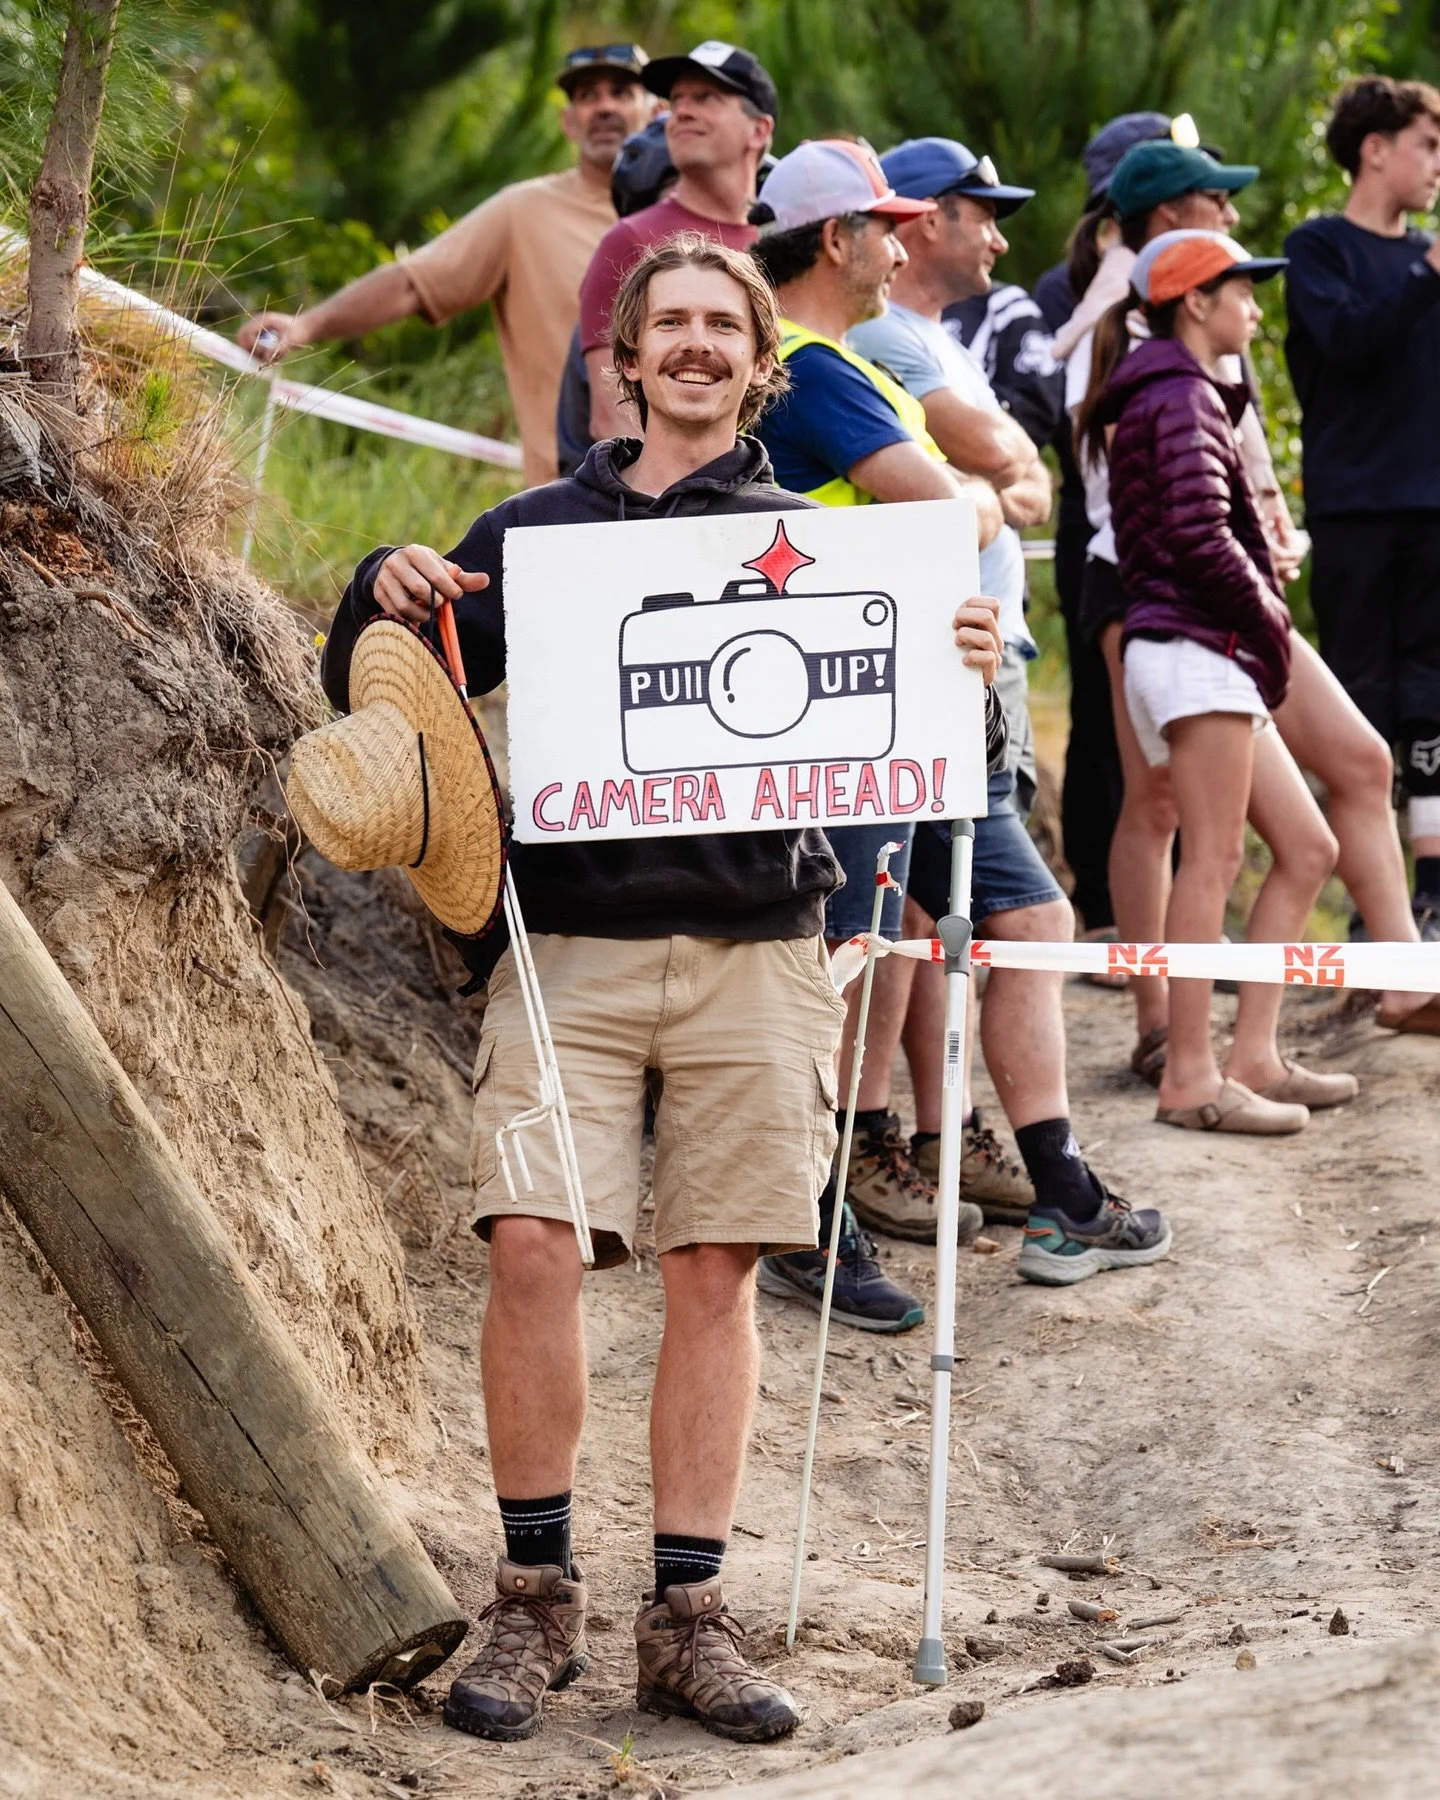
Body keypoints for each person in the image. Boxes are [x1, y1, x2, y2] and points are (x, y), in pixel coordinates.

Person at [319, 233, 1007, 1742]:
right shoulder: (536, 533)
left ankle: (687, 1619)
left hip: (765, 944)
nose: (693, 345)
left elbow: (950, 734)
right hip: (566, 951)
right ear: (623, 358)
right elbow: (387, 686)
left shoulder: (833, 544)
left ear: (760, 359)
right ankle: (535, 1598)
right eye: (666, 324)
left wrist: (969, 656)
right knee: (532, 1252)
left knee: (719, 1269)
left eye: (721, 325)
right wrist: (378, 589)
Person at [749, 138, 1168, 1296]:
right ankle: (809, 1210)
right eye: (885, 224)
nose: (901, 242)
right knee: (849, 955)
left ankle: (1058, 1192)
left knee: (1025, 924)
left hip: (914, 699)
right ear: (838, 240)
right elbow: (954, 506)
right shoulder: (814, 365)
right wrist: (979, 490)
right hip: (871, 710)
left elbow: (969, 492)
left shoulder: (830, 360)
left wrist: (975, 490)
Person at [1071, 142, 1439, 1062]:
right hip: (1159, 592)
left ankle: (1394, 982)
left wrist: (1264, 531)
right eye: (1214, 200)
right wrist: (1258, 599)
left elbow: (1227, 464)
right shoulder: (1133, 324)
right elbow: (1143, 490)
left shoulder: (1199, 322)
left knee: (1355, 761)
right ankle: (1169, 1033)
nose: (1232, 216)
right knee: (1170, 813)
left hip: (1229, 591)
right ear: (1167, 218)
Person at [1081, 230, 1359, 1132]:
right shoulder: (1174, 393)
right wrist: (1274, 623)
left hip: (1206, 649)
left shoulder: (1182, 389)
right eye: (1242, 288)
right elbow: (1201, 541)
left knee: (1309, 847)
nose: (1254, 305)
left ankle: (1254, 1058)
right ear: (1194, 302)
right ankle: (1191, 1080)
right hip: (1197, 650)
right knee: (1212, 858)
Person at [847, 136, 1053, 1228]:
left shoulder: (933, 334)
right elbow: (994, 459)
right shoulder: (883, 332)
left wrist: (1000, 466)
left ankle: (937, 1129)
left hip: (980, 641)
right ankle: (893, 1135)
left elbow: (1024, 461)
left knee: (939, 910)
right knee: (941, 906)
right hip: (944, 644)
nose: (1000, 234)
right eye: (984, 211)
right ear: (927, 219)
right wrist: (995, 474)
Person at [235, 44, 656, 487]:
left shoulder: (692, 217)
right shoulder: (525, 212)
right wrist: (307, 326)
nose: (604, 106)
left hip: (701, 495)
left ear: (657, 109)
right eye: (587, 96)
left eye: (622, 92)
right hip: (577, 499)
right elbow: (413, 283)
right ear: (567, 122)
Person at [1285, 76, 1440, 960]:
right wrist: (1426, 275)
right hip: (1354, 510)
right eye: (1425, 146)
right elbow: (1348, 343)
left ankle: (1431, 894)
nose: (1436, 169)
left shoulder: (1423, 257)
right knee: (1365, 705)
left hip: (1433, 510)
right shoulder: (1318, 248)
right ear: (1374, 148)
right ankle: (1367, 906)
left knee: (1432, 709)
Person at [579, 41, 777, 442]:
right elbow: (613, 417)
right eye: (677, 99)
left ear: (759, 130)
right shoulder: (630, 242)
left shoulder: (779, 240)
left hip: (766, 493)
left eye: (706, 98)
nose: (682, 111)